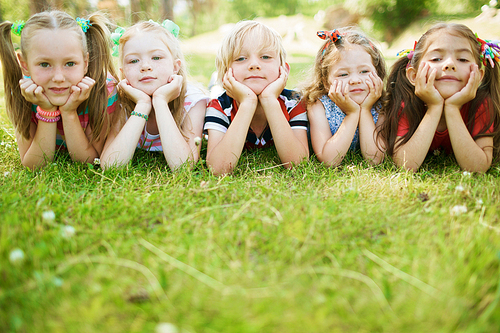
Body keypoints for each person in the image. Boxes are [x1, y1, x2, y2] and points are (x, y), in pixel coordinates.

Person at [0, 11, 119, 170]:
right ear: (25, 65)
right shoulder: (23, 93)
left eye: (70, 64)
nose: (58, 77)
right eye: (44, 64)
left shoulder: (104, 92)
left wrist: (69, 113)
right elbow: (33, 165)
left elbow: (89, 161)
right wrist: (47, 110)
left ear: (85, 63)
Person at [379, 23, 500, 172]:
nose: (449, 64)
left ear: (479, 76)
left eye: (462, 59)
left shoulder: (482, 103)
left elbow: (477, 168)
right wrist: (434, 107)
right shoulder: (407, 101)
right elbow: (406, 165)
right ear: (414, 75)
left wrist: (452, 108)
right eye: (436, 59)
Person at [204, 20, 309, 175]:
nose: (254, 64)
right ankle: (215, 83)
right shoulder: (219, 107)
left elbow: (297, 163)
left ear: (284, 70)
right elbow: (218, 169)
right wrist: (247, 103)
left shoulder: (293, 102)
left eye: (265, 57)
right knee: (213, 91)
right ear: (226, 72)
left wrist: (269, 100)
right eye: (240, 58)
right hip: (222, 95)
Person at [100, 20, 208, 170]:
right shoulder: (120, 102)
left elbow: (182, 166)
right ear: (123, 72)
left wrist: (160, 101)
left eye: (156, 58)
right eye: (134, 60)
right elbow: (111, 166)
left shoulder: (193, 101)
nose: (145, 66)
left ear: (175, 66)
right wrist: (143, 105)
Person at [301, 28, 386, 167]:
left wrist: (365, 110)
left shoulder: (382, 105)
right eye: (343, 74)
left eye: (364, 71)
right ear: (326, 82)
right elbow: (329, 160)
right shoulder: (318, 105)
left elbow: (374, 160)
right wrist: (352, 113)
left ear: (378, 73)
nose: (355, 80)